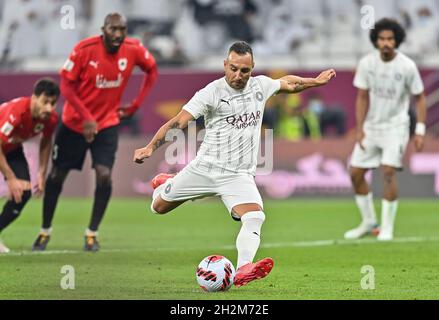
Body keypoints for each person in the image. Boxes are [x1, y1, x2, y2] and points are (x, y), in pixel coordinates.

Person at [133, 41, 336, 287]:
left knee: (255, 217)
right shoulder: (211, 93)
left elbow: (289, 83)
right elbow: (178, 123)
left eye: (245, 70)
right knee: (158, 207)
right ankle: (168, 182)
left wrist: (316, 81)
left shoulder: (260, 86)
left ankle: (243, 269)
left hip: (238, 175)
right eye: (234, 69)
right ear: (225, 65)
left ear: (253, 68)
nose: (238, 75)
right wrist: (150, 147)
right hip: (204, 169)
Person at [32, 13, 158, 252]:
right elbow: (66, 85)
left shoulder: (133, 48)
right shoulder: (84, 49)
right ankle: (45, 230)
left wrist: (135, 105)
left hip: (107, 124)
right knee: (57, 176)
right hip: (74, 125)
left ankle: (92, 233)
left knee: (103, 175)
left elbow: (152, 70)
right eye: (113, 29)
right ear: (103, 30)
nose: (118, 34)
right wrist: (86, 116)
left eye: (122, 29)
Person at [344, 18, 426, 241]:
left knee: (388, 171)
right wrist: (360, 129)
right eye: (382, 38)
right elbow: (361, 97)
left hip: (396, 127)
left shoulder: (407, 66)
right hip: (371, 127)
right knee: (355, 174)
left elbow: (419, 98)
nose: (386, 42)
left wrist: (419, 130)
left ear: (397, 40)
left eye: (390, 38)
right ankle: (369, 221)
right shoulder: (367, 64)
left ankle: (387, 228)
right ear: (376, 41)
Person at [0, 78, 60, 253]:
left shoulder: (50, 119)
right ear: (34, 97)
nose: (49, 108)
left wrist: (41, 173)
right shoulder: (17, 112)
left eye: (53, 103)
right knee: (16, 185)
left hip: (11, 148)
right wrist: (10, 178)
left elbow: (46, 141)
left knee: (24, 192)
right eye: (45, 102)